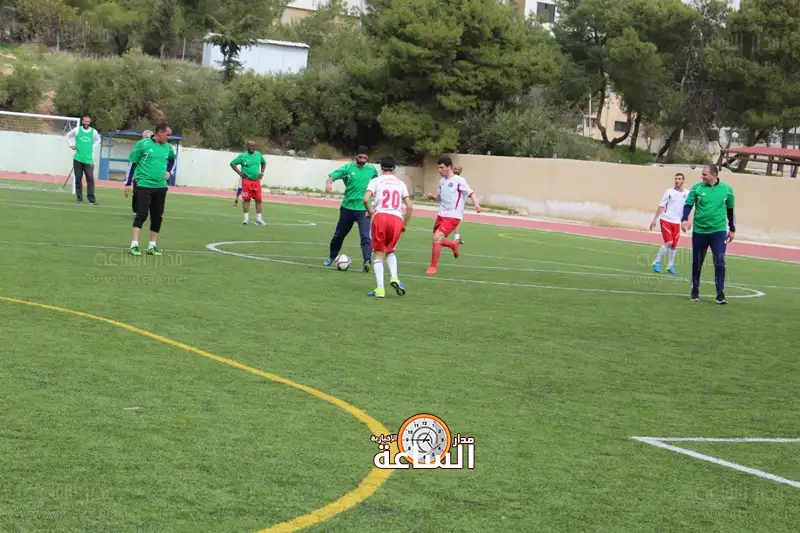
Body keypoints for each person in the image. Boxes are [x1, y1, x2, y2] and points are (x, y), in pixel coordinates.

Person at [681, 164, 736, 304]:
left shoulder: (727, 190)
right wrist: (684, 219)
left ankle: (720, 294)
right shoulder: (697, 188)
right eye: (702, 174)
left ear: (714, 175)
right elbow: (688, 205)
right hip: (700, 231)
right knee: (697, 262)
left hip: (718, 231)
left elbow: (730, 210)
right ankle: (695, 290)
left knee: (719, 260)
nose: (702, 177)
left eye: (705, 174)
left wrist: (732, 228)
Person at [363, 156, 413, 298]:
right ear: (394, 168)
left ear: (381, 167)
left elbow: (365, 199)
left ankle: (380, 289)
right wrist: (405, 224)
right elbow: (409, 205)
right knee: (391, 250)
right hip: (396, 219)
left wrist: (371, 212)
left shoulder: (376, 181)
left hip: (381, 217)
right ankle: (394, 277)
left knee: (378, 253)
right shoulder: (400, 183)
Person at [323, 145, 378, 272]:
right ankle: (332, 257)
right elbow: (332, 177)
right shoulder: (347, 168)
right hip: (347, 208)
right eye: (360, 157)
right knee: (339, 235)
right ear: (356, 156)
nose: (362, 160)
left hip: (364, 209)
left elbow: (378, 183)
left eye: (365, 158)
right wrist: (328, 183)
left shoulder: (372, 170)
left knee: (365, 237)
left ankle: (367, 261)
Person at [124, 123, 176, 257]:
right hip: (143, 184)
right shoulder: (142, 144)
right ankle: (134, 245)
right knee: (141, 214)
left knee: (157, 217)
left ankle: (152, 246)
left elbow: (172, 160)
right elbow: (132, 163)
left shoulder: (168, 147)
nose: (169, 137)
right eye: (167, 135)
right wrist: (128, 183)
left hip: (161, 186)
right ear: (159, 132)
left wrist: (169, 171)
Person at [425, 156, 482, 275]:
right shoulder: (441, 182)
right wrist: (433, 196)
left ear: (449, 167)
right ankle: (453, 244)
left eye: (441, 167)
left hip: (453, 216)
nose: (439, 170)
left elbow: (471, 193)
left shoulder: (459, 180)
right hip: (441, 214)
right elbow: (440, 197)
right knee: (437, 238)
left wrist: (476, 205)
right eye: (438, 168)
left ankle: (433, 267)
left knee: (437, 238)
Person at [649, 173, 688, 274]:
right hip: (666, 220)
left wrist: (686, 221)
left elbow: (687, 208)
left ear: (683, 180)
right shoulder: (669, 192)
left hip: (677, 222)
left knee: (674, 245)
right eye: (676, 179)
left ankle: (670, 266)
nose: (677, 180)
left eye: (679, 179)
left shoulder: (687, 193)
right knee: (669, 242)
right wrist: (655, 219)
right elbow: (661, 206)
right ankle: (656, 261)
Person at [65, 115, 101, 204]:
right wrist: (71, 145)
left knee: (90, 179)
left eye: (88, 121)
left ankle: (91, 199)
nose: (86, 123)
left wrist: (92, 146)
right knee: (78, 179)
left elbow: (98, 140)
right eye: (85, 121)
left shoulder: (93, 132)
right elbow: (68, 136)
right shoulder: (77, 130)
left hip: (88, 160)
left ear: (90, 122)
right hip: (78, 159)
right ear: (82, 121)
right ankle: (79, 198)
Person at [230, 141, 267, 226]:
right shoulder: (243, 156)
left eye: (253, 147)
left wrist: (262, 172)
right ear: (247, 147)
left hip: (256, 181)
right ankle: (246, 219)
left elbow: (263, 163)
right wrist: (240, 173)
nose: (251, 148)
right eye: (250, 147)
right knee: (246, 200)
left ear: (255, 147)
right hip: (247, 181)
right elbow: (232, 163)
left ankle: (259, 219)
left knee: (259, 200)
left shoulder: (259, 155)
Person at [124, 130, 153, 216]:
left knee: (150, 195)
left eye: (150, 137)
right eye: (146, 137)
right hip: (138, 177)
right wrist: (128, 182)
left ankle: (146, 210)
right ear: (142, 138)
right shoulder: (139, 148)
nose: (148, 139)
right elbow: (132, 164)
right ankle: (135, 212)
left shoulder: (156, 150)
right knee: (137, 195)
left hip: (150, 178)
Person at [452, 165, 466, 244]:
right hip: (449, 205)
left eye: (459, 170)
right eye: (455, 169)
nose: (457, 170)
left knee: (456, 220)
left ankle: (457, 237)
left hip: (458, 205)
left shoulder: (461, 180)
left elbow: (468, 192)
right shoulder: (447, 179)